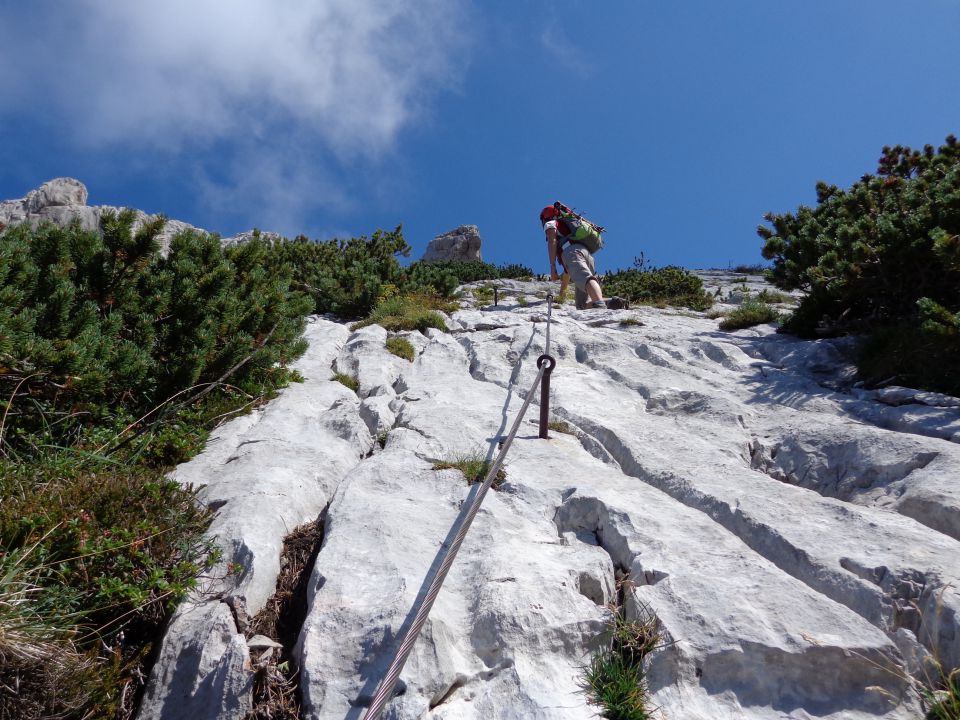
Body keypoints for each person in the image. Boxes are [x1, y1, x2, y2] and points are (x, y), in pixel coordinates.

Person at [540, 204, 626, 310]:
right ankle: (613, 303)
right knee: (581, 305)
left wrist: (552, 266)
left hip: (572, 251)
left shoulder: (551, 223)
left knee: (585, 278)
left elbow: (551, 240)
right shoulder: (566, 229)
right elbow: (568, 272)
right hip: (586, 254)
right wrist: (562, 294)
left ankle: (599, 304)